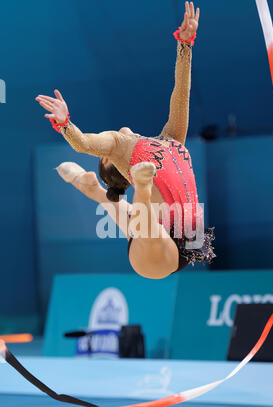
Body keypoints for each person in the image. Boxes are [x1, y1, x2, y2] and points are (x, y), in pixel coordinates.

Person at [36, 2, 215, 280]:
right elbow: (83, 144)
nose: (105, 149)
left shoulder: (170, 140)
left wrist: (185, 44)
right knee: (140, 221)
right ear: (114, 164)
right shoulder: (120, 147)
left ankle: (91, 186)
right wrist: (65, 124)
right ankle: (138, 188)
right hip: (157, 251)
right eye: (103, 154)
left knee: (129, 216)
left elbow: (182, 93)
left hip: (169, 240)